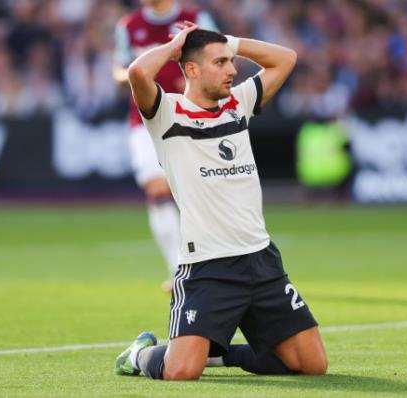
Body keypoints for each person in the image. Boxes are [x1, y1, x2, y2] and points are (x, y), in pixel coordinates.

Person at [115, 22, 327, 380]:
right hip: (208, 266)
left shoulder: (238, 103)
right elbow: (138, 71)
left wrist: (228, 41)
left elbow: (286, 59)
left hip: (261, 261)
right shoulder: (167, 114)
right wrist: (175, 45)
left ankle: (220, 355)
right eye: (220, 63)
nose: (232, 69)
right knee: (181, 371)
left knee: (311, 365)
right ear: (193, 70)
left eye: (231, 61)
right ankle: (139, 355)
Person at [113, 0, 217, 292]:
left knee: (197, 191)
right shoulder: (129, 26)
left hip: (191, 116)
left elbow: (221, 57)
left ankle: (210, 262)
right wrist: (138, 71)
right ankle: (178, 269)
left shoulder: (195, 18)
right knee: (157, 189)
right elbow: (119, 71)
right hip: (145, 121)